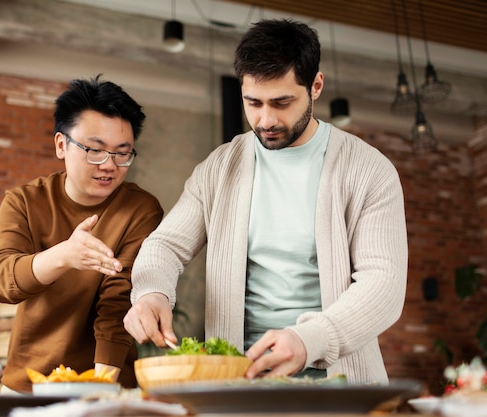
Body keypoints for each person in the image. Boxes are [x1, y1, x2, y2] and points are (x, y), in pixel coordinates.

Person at [124, 19, 408, 384]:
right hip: (239, 380)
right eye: (253, 103)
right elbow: (166, 244)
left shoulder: (369, 170)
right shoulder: (219, 168)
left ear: (316, 86)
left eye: (282, 102)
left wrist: (310, 339)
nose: (266, 119)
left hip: (338, 380)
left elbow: (383, 285)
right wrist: (151, 292)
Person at [0, 75, 164, 394]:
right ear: (61, 145)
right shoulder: (24, 201)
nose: (109, 165)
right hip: (29, 383)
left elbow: (118, 296)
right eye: (95, 150)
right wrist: (63, 256)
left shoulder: (141, 209)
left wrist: (98, 388)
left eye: (123, 153)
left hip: (107, 384)